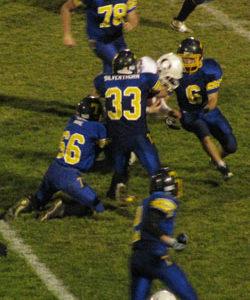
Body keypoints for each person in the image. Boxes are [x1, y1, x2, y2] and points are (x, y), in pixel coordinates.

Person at [6, 96, 108, 221]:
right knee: (97, 206)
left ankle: (23, 204)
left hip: (53, 169)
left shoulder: (71, 120)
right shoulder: (98, 128)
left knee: (39, 200)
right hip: (70, 176)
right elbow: (104, 146)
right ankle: (62, 208)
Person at [93, 49, 169, 201]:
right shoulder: (145, 79)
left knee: (121, 165)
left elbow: (96, 95)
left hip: (116, 134)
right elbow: (160, 93)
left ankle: (115, 190)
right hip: (138, 134)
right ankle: (159, 200)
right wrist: (171, 87)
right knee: (155, 169)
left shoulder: (103, 80)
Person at [169, 37, 237, 180]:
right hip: (188, 113)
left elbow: (213, 99)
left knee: (231, 146)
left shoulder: (210, 69)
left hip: (208, 111)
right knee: (205, 136)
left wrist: (205, 110)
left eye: (191, 59)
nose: (187, 63)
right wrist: (168, 113)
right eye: (184, 59)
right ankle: (222, 167)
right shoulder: (174, 72)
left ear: (199, 58)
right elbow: (164, 97)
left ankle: (215, 157)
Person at [130, 167, 198, 300]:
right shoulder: (164, 198)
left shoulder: (146, 201)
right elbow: (150, 224)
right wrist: (172, 242)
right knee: (190, 296)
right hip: (155, 257)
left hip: (137, 259)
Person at [61, 0, 139, 73]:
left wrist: (131, 23)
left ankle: (102, 86)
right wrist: (67, 34)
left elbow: (132, 14)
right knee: (123, 67)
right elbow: (66, 8)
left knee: (111, 73)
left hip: (118, 39)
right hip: (99, 40)